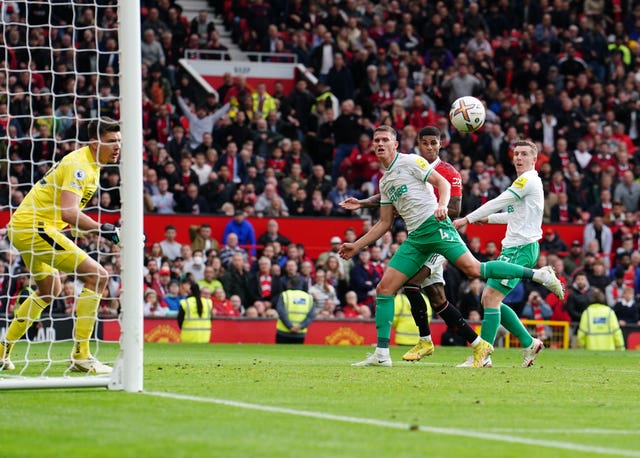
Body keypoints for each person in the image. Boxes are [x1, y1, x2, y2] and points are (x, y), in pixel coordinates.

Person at [340, 126, 563, 367]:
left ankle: (538, 276)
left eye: (386, 140)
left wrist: (445, 206)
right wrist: (356, 245)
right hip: (416, 238)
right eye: (377, 140)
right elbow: (384, 222)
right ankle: (383, 354)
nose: (380, 143)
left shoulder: (412, 162)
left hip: (436, 228)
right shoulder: (385, 181)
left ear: (396, 144)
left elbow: (443, 184)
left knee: (474, 272)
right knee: (385, 289)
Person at [342, 126, 493, 363]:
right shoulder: (391, 176)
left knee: (412, 283)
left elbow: (454, 208)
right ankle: (476, 344)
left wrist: (439, 207)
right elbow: (387, 210)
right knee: (436, 299)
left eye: (434, 143)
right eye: (425, 143)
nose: (429, 147)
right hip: (418, 237)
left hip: (438, 235)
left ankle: (424, 340)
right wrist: (362, 207)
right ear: (419, 144)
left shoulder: (444, 171)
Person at [0, 118, 122, 373]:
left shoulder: (91, 164)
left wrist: (92, 229)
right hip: (35, 227)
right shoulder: (80, 166)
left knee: (49, 288)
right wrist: (102, 228)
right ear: (94, 142)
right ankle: (81, 355)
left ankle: (2, 351)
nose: (118, 146)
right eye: (112, 141)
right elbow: (68, 212)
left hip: (27, 227)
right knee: (98, 276)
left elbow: (68, 215)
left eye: (119, 141)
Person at [454, 139, 557, 367]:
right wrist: (488, 218)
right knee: (490, 299)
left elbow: (499, 201)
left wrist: (467, 219)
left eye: (523, 154)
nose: (518, 158)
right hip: (514, 247)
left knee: (490, 297)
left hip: (520, 248)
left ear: (534, 158)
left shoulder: (528, 180)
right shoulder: (525, 182)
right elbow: (513, 215)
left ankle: (483, 356)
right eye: (516, 154)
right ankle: (529, 342)